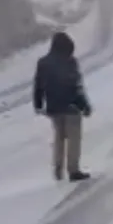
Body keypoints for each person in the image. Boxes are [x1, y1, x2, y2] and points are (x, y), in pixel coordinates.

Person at [33, 31, 92, 181]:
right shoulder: (70, 62)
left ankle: (58, 169)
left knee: (59, 138)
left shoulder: (43, 63)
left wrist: (38, 103)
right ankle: (73, 170)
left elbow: (38, 85)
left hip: (53, 107)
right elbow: (76, 86)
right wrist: (84, 105)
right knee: (74, 138)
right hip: (71, 106)